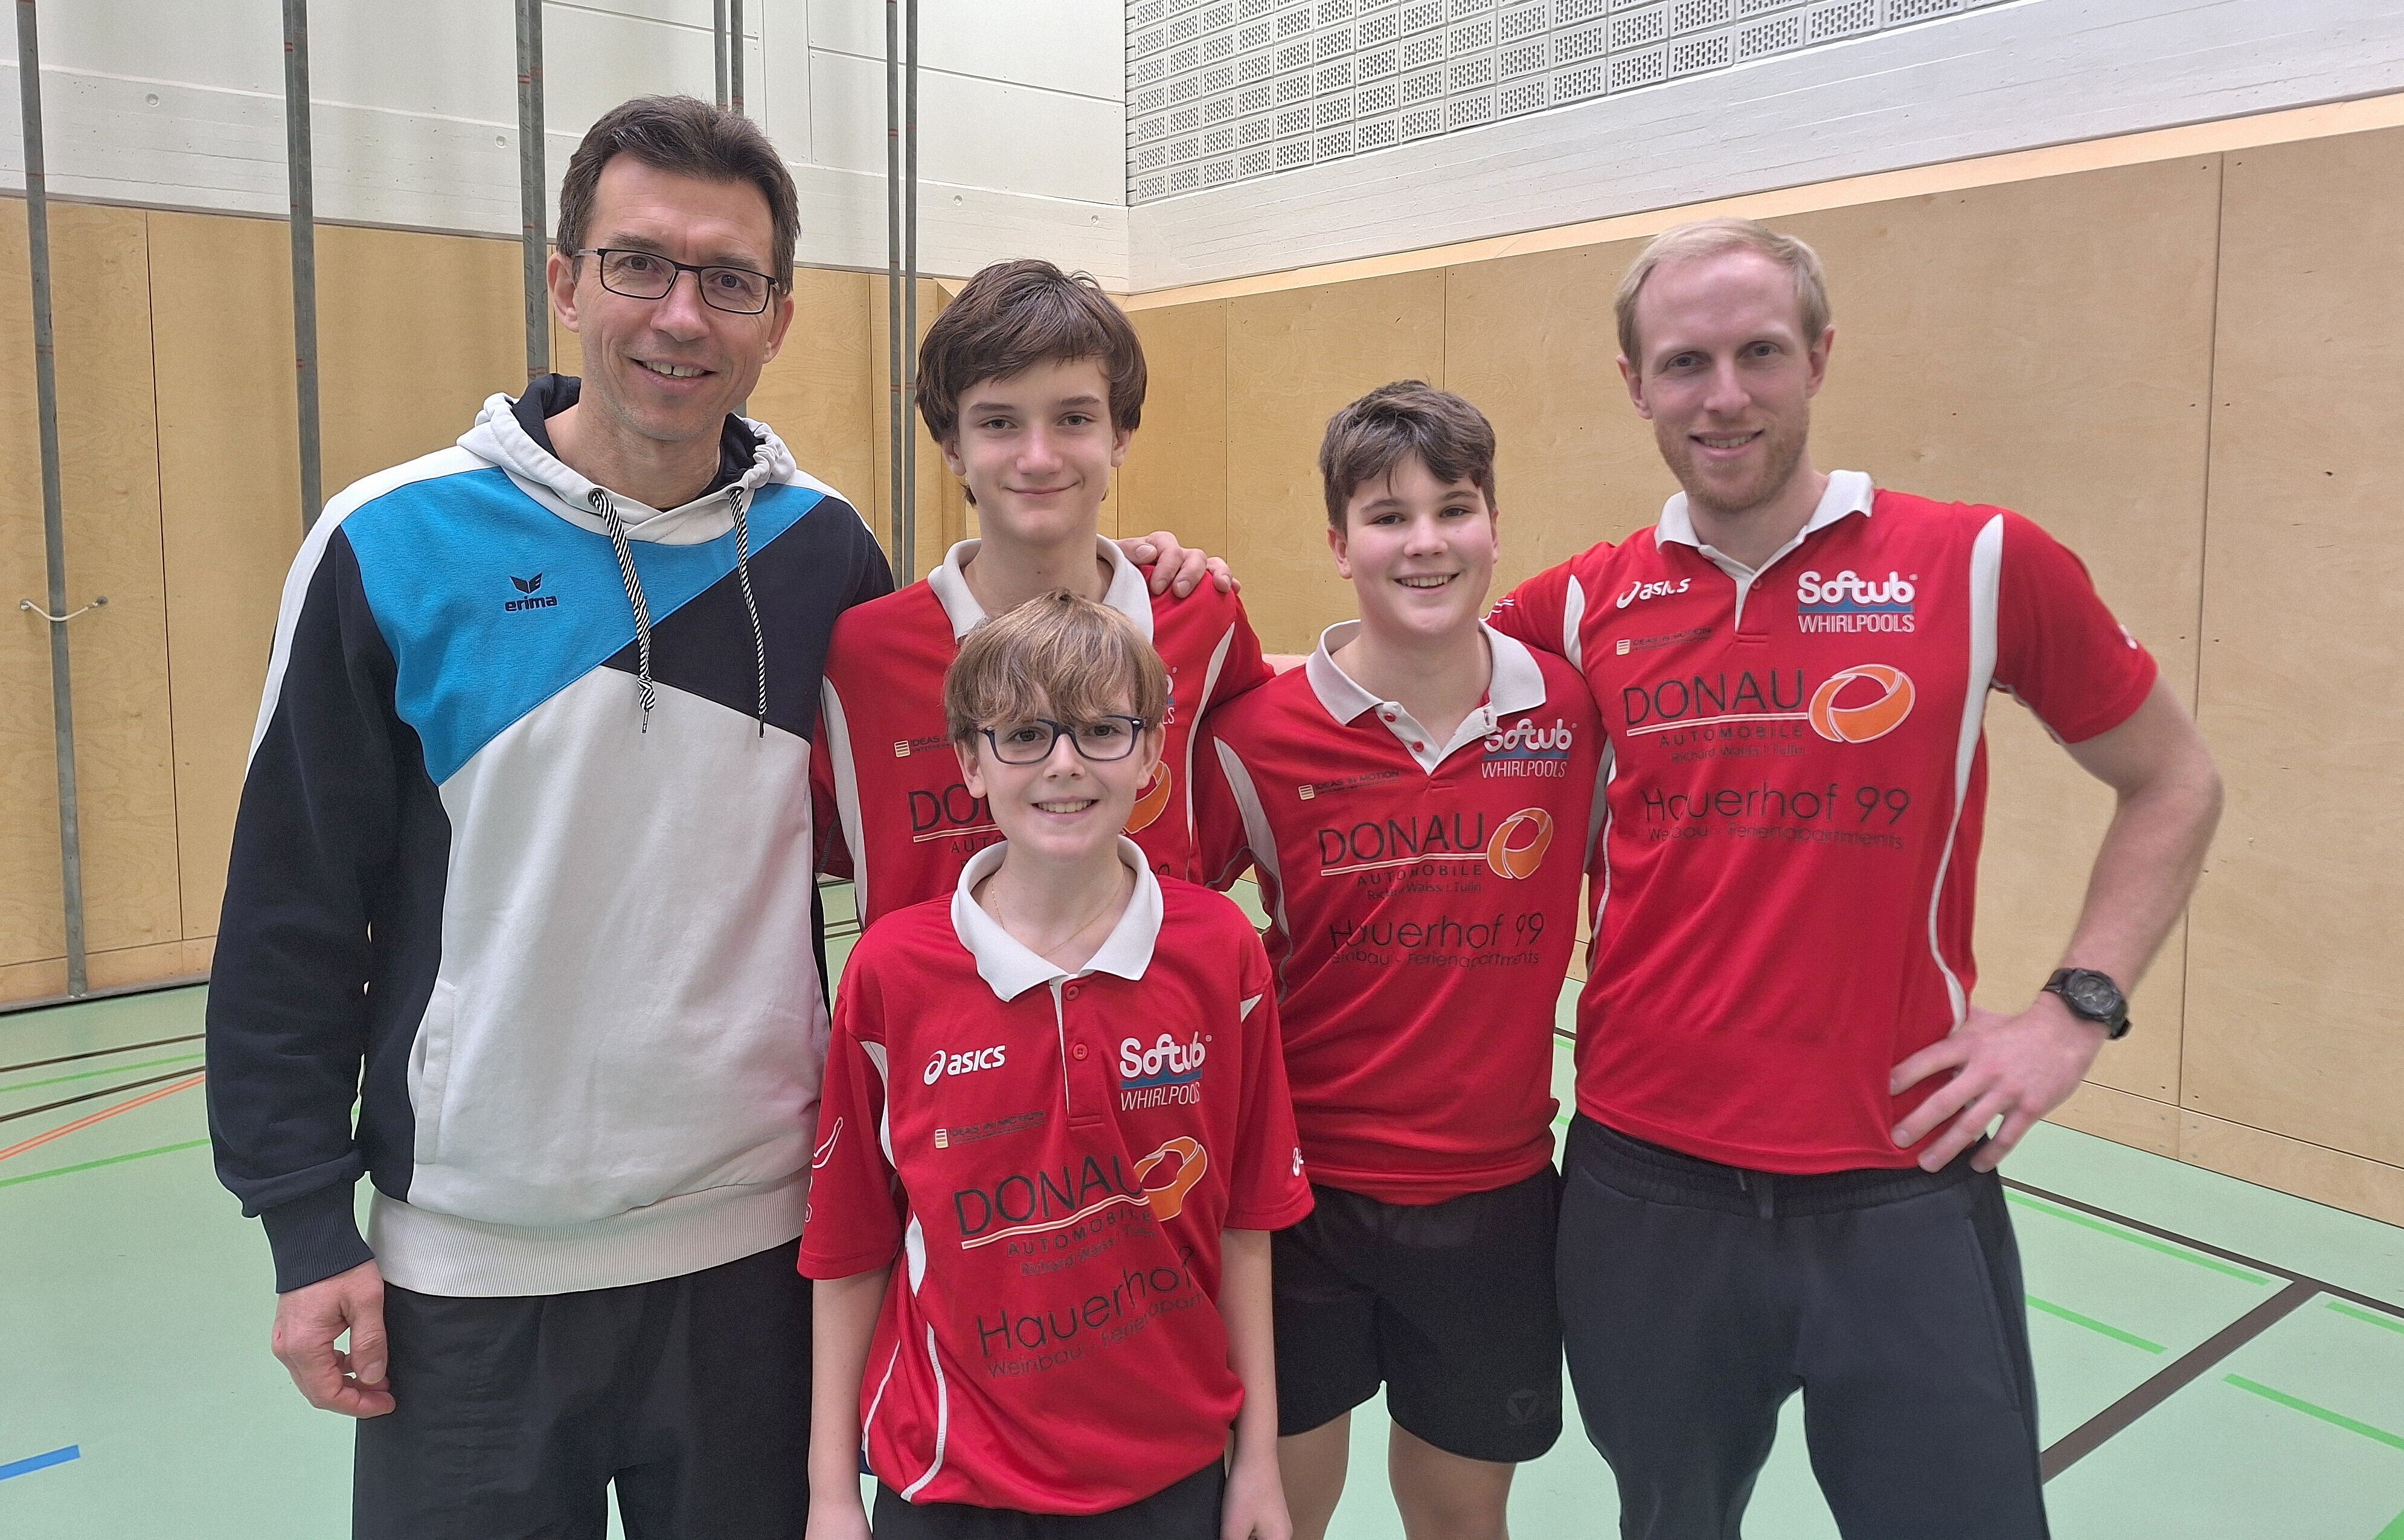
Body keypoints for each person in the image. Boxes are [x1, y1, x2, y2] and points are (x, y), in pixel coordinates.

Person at [203, 95, 890, 1538]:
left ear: (778, 320)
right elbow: (291, 908)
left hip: (760, 1267)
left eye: (729, 280)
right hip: (467, 1281)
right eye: (639, 264)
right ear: (568, 281)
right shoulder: (388, 542)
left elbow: (950, 797)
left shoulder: (824, 553)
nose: (680, 315)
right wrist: (305, 1225)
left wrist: (1125, 577)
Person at [1484, 218, 2225, 1538]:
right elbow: (1381, 674)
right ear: (1636, 384)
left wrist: (2076, 1010)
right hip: (1646, 1190)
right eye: (1686, 362)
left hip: (1903, 1177)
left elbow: (2174, 779)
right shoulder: (1582, 606)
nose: (1725, 396)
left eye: (1761, 353)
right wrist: (1145, 580)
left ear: (1820, 357)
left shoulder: (1979, 562)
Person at [801, 591, 1312, 1540]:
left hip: (1168, 1467)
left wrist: (1258, 1461)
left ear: (1152, 753)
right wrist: (831, 1492)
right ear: (970, 761)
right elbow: (851, 1245)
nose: (1065, 764)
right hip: (946, 1475)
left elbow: (1247, 1221)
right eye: (1026, 734)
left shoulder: (1219, 952)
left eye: (1103, 730)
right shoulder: (894, 972)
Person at [1194, 382, 1603, 1540]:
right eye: (1387, 516)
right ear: (1339, 545)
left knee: (1463, 1517)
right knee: (1276, 1513)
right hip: (1295, 1201)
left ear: (1493, 527)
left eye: (1452, 508)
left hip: (1495, 1202)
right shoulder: (1255, 737)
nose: (1424, 541)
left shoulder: (1573, 717)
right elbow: (1159, 918)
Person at [813, 259, 1271, 924]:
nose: (1038, 457)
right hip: (934, 994)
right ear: (951, 446)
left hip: (1155, 994)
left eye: (1074, 419)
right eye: (999, 423)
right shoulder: (861, 655)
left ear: (1121, 435)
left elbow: (1233, 819)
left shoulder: (1201, 617)